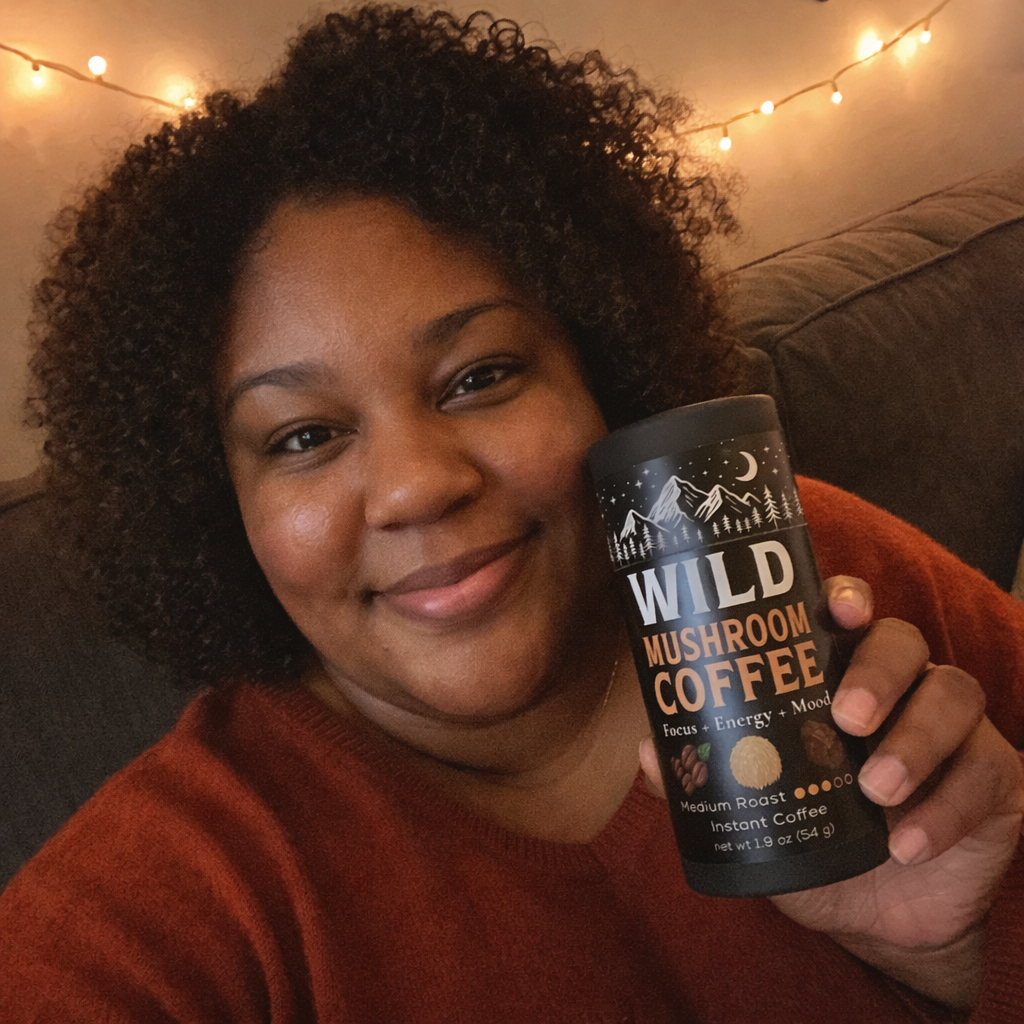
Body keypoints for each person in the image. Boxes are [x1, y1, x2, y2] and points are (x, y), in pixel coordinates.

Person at [1, 6, 1022, 1021]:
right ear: (215, 502)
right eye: (303, 436)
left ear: (598, 372)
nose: (416, 485)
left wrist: (963, 960)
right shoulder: (162, 911)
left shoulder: (801, 576)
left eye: (479, 375)